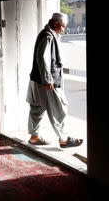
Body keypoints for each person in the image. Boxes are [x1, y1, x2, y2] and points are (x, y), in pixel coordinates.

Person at [27, 12, 83, 148]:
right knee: (59, 109)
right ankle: (64, 139)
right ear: (55, 24)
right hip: (47, 82)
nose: (63, 30)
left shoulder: (46, 34)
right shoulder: (48, 36)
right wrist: (47, 79)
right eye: (63, 26)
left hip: (36, 79)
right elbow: (42, 58)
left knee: (37, 108)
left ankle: (34, 137)